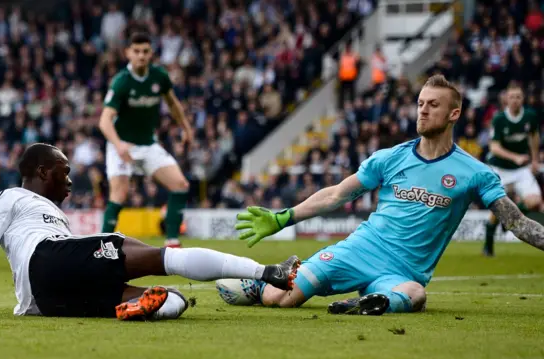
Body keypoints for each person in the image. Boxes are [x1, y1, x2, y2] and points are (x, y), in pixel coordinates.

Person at [225, 75, 544, 315]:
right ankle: (263, 283)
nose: (423, 111)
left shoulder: (474, 172)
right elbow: (336, 195)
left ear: (454, 114)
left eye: (433, 105)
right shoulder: (389, 158)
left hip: (402, 273)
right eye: (420, 103)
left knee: (415, 294)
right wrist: (285, 216)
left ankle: (361, 304)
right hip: (359, 250)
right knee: (282, 299)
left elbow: (516, 222)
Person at [0, 143, 299, 320]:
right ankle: (267, 273)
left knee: (172, 300)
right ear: (41, 172)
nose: (70, 180)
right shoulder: (11, 195)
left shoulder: (50, 212)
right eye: (63, 170)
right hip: (48, 262)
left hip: (47, 303)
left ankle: (138, 306)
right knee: (159, 257)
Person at [99, 32, 193, 248]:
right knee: (119, 195)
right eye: (137, 51)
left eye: (145, 51)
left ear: (151, 53)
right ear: (128, 53)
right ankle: (101, 246)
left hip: (148, 144)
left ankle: (172, 242)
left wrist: (186, 128)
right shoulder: (121, 82)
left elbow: (173, 104)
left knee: (180, 184)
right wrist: (119, 144)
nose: (141, 56)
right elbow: (104, 121)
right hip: (122, 144)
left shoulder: (159, 76)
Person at [483, 85, 542, 257]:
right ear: (506, 99)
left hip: (521, 169)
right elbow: (494, 147)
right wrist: (515, 157)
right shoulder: (499, 119)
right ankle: (488, 244)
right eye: (512, 97)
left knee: (535, 201)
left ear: (522, 99)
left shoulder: (530, 116)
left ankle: (506, 218)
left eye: (518, 96)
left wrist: (535, 159)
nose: (515, 100)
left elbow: (534, 137)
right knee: (498, 206)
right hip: (500, 168)